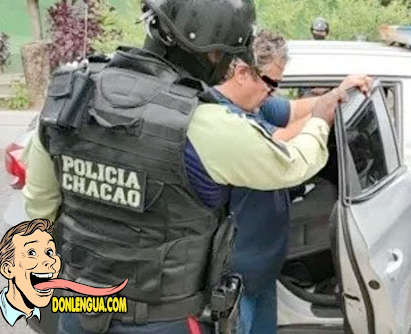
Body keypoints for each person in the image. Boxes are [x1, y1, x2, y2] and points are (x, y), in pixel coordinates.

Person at [22, 0, 352, 333]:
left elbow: (40, 208)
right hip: (162, 318)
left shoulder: (71, 94)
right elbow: (291, 166)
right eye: (225, 54)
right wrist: (322, 118)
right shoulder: (202, 122)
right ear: (209, 53)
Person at [211, 29, 372, 334]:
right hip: (234, 280)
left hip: (262, 270)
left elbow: (295, 109)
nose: (273, 92)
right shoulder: (223, 118)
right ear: (243, 72)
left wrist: (337, 93)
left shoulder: (254, 103)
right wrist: (321, 119)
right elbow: (282, 145)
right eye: (270, 83)